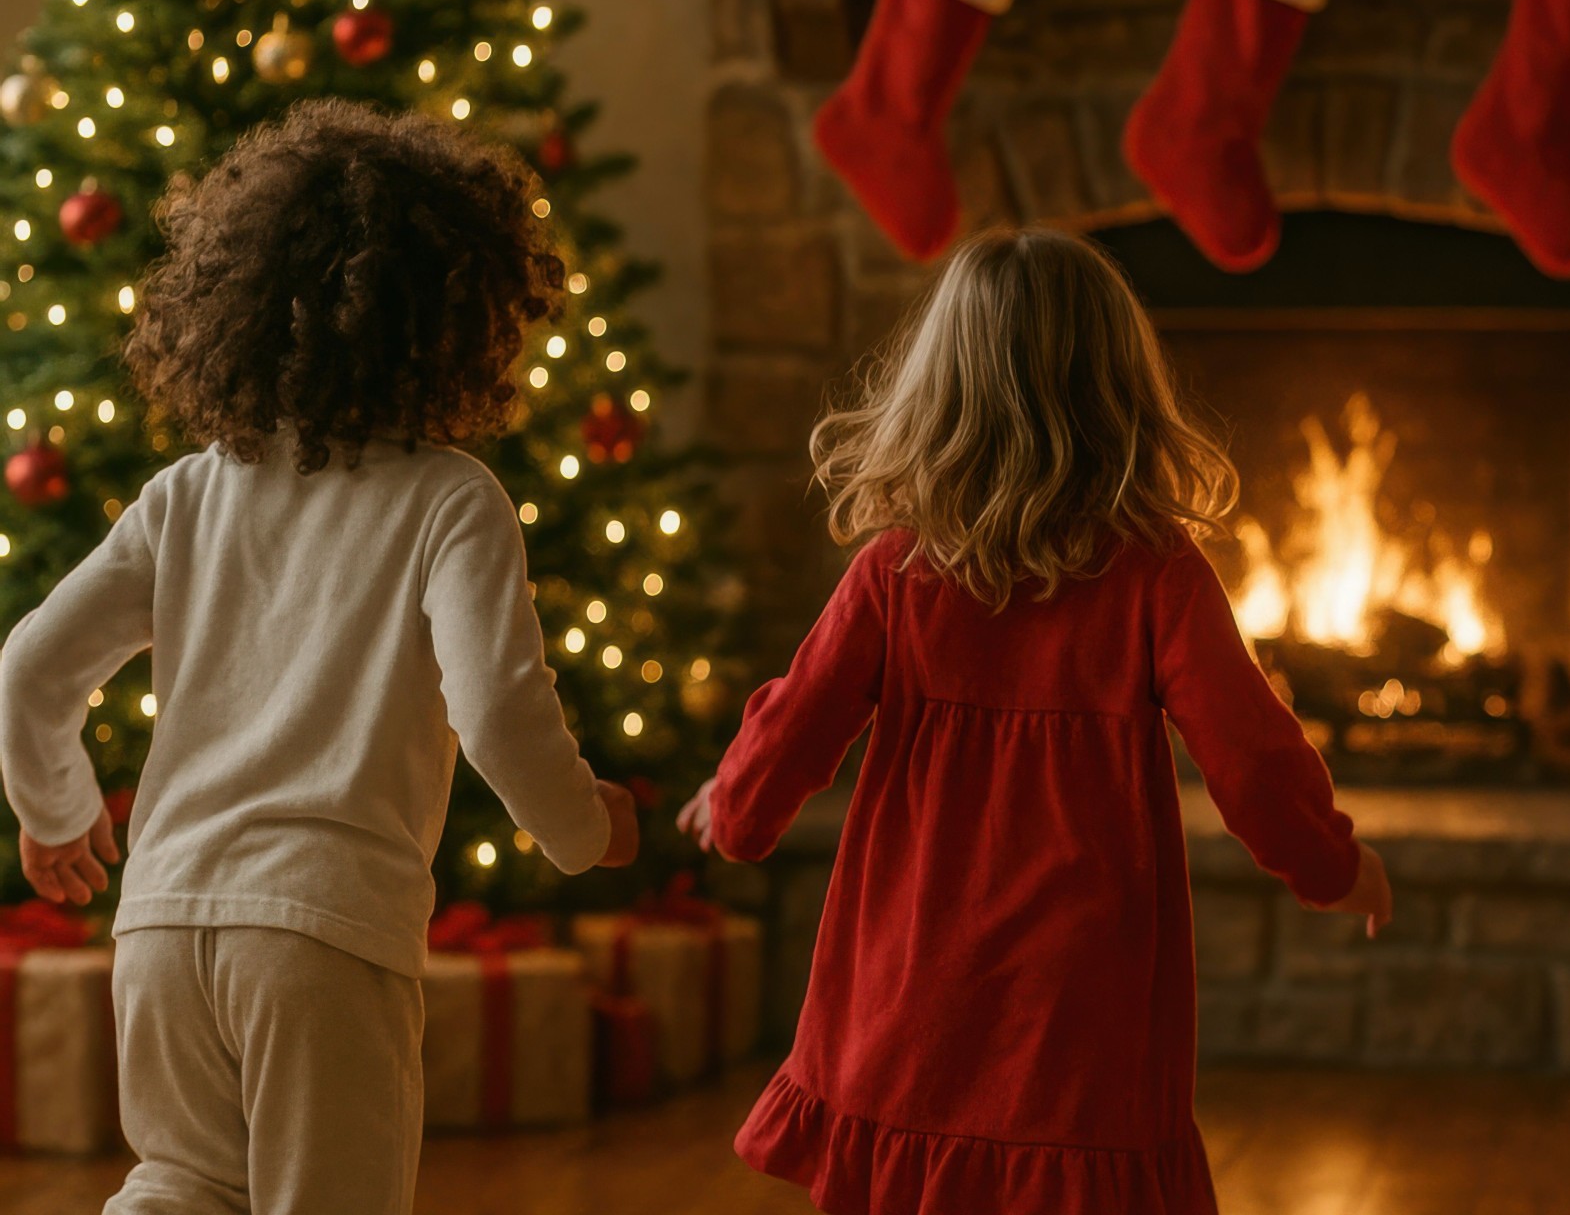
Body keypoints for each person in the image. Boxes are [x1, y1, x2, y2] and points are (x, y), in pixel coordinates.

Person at [0, 100, 639, 1214]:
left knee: (178, 1182)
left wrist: (55, 809)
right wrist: (586, 829)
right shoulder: (451, 500)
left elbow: (28, 668)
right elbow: (497, 711)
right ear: (459, 321)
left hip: (162, 921)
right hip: (325, 932)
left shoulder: (187, 495)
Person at [677, 225, 1390, 1215]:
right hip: (1076, 1015)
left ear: (940, 390)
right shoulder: (1158, 573)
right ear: (1119, 390)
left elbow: (795, 719)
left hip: (911, 994)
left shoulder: (895, 571)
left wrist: (733, 808)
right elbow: (1252, 754)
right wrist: (1333, 865)